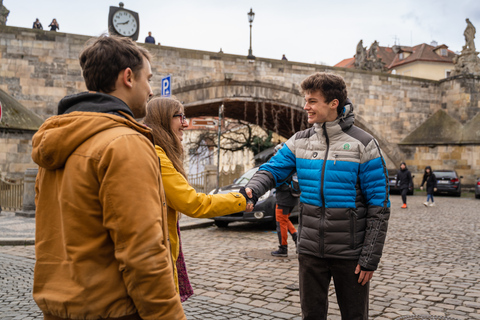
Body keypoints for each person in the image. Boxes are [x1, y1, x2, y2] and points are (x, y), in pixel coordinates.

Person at [31, 35, 185, 320]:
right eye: (148, 79)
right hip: (112, 309)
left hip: (60, 307)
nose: (151, 90)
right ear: (128, 77)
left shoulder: (59, 141)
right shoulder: (125, 143)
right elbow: (143, 252)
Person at [242, 72, 391, 320]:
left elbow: (380, 206)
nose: (305, 106)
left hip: (350, 253)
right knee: (311, 315)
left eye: (312, 100)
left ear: (333, 103)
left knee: (355, 316)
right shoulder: (300, 142)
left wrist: (369, 258)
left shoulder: (363, 144)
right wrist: (252, 189)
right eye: (305, 99)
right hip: (310, 250)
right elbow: (271, 170)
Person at [144, 97, 250, 302]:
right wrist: (241, 199)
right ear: (164, 119)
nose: (185, 123)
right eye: (180, 117)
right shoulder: (157, 154)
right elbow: (194, 203)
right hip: (157, 256)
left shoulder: (153, 149)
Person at [270, 142, 299, 257]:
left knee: (281, 222)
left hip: (284, 198)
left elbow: (279, 181)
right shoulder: (292, 163)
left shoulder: (282, 165)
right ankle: (296, 236)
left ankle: (283, 248)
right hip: (292, 197)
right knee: (285, 219)